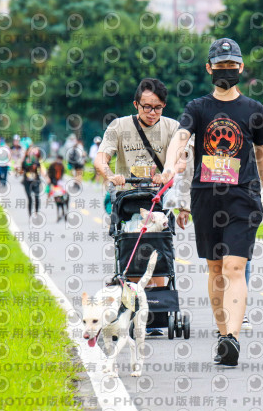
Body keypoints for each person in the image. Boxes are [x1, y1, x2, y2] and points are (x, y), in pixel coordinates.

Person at [159, 38, 263, 366]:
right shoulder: (198, 108)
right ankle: (222, 334)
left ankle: (232, 338)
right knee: (216, 268)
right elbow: (180, 138)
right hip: (206, 198)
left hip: (244, 197)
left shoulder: (253, 110)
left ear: (241, 68)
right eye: (220, 66)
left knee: (234, 267)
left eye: (231, 65)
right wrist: (171, 166)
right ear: (209, 69)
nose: (225, 71)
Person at [94, 78, 191, 336]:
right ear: (136, 104)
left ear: (164, 106)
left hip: (158, 201)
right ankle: (134, 307)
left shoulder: (172, 127)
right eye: (146, 107)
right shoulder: (119, 126)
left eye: (157, 107)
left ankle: (157, 313)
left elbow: (183, 160)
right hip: (128, 202)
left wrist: (169, 173)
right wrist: (110, 175)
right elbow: (101, 158)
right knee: (132, 254)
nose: (152, 112)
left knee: (158, 251)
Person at [21, 146, 45, 217]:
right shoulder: (24, 161)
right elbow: (22, 169)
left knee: (37, 196)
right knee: (30, 197)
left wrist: (46, 177)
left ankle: (36, 212)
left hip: (36, 181)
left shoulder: (36, 160)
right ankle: (30, 213)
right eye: (30, 151)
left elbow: (40, 169)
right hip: (27, 182)